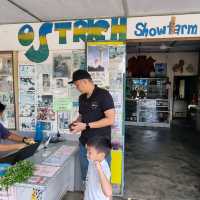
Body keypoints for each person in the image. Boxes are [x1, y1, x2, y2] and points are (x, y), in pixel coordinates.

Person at [68, 69, 115, 183]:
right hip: (84, 143)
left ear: (85, 81)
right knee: (86, 176)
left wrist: (86, 125)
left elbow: (110, 119)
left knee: (102, 178)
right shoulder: (82, 98)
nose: (76, 87)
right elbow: (82, 116)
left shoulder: (103, 95)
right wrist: (75, 123)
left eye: (77, 84)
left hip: (100, 146)